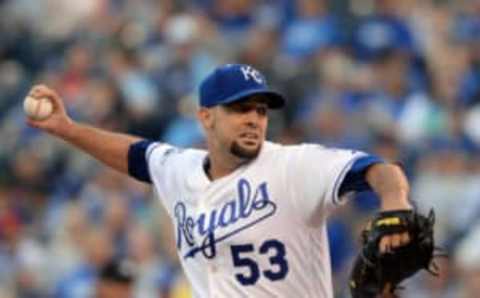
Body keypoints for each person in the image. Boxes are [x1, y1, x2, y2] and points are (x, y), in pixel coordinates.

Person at [27, 64, 411, 297]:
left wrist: (395, 202)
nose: (254, 119)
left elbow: (380, 170)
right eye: (240, 108)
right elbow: (135, 154)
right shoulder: (180, 169)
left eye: (260, 110)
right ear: (206, 117)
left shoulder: (294, 166)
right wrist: (66, 128)